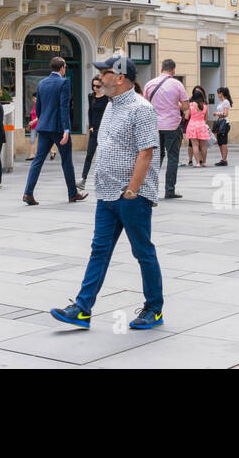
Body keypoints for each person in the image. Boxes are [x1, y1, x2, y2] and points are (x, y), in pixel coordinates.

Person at [50, 55, 163, 331]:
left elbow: (146, 152)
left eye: (105, 72)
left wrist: (132, 190)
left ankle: (154, 308)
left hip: (131, 195)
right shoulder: (110, 105)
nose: (99, 76)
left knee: (142, 251)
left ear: (121, 77)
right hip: (107, 193)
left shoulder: (142, 108)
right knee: (99, 250)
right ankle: (82, 308)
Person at [23, 57, 86, 205]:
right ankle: (72, 194)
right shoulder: (64, 82)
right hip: (58, 128)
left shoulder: (42, 83)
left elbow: (38, 108)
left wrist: (43, 119)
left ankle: (28, 193)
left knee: (37, 161)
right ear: (63, 67)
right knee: (66, 161)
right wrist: (66, 129)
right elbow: (64, 107)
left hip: (44, 127)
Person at [144, 59, 190, 198]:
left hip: (154, 126)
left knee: (155, 158)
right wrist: (178, 107)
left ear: (162, 68)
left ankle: (151, 189)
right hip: (172, 125)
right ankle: (169, 190)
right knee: (172, 157)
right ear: (173, 70)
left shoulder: (150, 84)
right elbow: (186, 106)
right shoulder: (177, 84)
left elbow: (145, 104)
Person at [79, 76, 109, 190]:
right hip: (94, 130)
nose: (95, 88)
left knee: (104, 156)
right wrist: (90, 126)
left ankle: (105, 180)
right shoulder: (91, 96)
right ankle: (83, 179)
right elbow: (90, 111)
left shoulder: (107, 97)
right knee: (89, 155)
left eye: (97, 86)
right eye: (93, 86)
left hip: (105, 130)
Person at [184, 86, 212, 167]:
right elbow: (206, 118)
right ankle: (204, 162)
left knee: (195, 145)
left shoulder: (191, 105)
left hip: (192, 125)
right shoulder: (205, 106)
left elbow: (186, 117)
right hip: (202, 125)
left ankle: (197, 163)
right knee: (203, 145)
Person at [213, 86, 233, 166]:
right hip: (220, 123)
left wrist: (217, 113)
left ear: (221, 93)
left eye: (218, 93)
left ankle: (224, 159)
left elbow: (225, 114)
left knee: (224, 142)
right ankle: (222, 158)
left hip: (224, 124)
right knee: (220, 142)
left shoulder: (226, 102)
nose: (217, 94)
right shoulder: (221, 102)